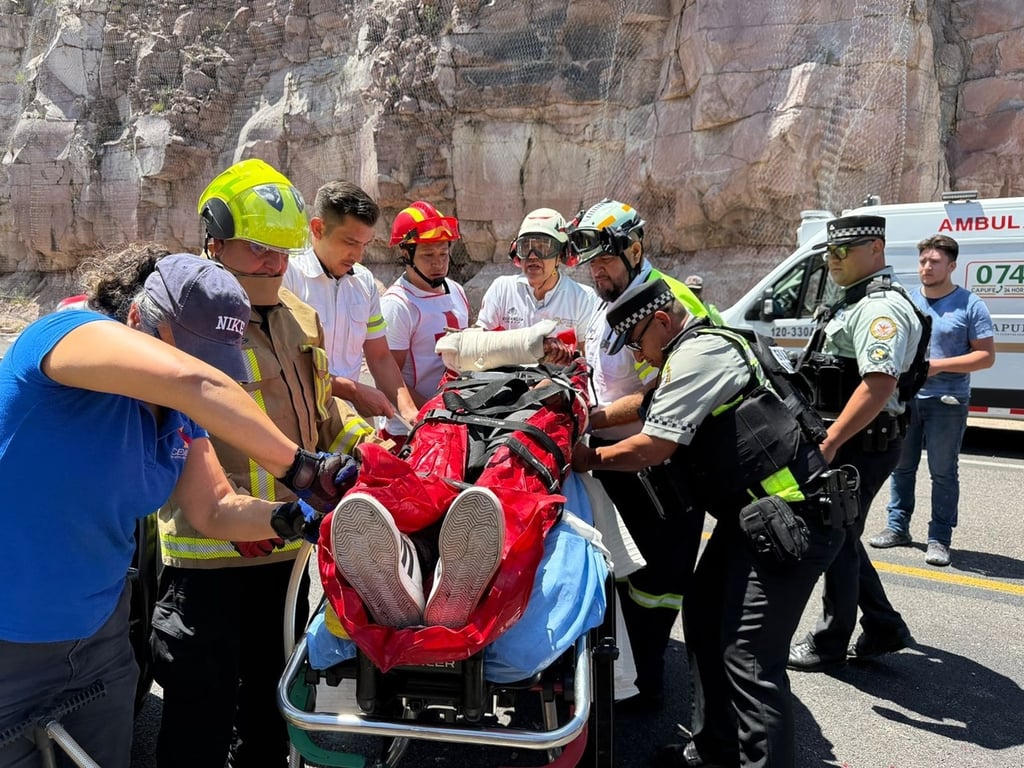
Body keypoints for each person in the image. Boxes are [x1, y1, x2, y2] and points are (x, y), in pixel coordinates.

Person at [0, 250, 351, 768]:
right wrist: (301, 469)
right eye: (191, 351)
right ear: (140, 315)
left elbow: (215, 508)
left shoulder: (179, 416)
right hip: (11, 648)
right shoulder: (65, 336)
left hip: (101, 643)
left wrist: (293, 517)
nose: (204, 368)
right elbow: (193, 382)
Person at [152, 160, 385, 768]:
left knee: (272, 694)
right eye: (258, 251)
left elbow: (324, 411)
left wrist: (367, 447)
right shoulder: (185, 323)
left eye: (282, 251)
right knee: (199, 705)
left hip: (286, 545)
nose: (274, 265)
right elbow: (174, 431)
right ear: (214, 239)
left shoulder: (298, 317)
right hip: (212, 548)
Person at [572, 278, 845, 768]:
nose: (637, 355)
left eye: (637, 342)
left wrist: (586, 458)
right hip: (755, 514)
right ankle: (715, 751)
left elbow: (653, 446)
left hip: (790, 515)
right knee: (703, 616)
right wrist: (587, 417)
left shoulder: (700, 355)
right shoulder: (692, 350)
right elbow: (648, 401)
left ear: (661, 321)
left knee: (751, 659)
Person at [321, 345, 592, 671]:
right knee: (507, 479)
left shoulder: (543, 370)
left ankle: (418, 559)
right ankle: (446, 573)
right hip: (476, 404)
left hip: (458, 406)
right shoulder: (489, 357)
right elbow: (455, 349)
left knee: (435, 478)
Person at [569, 198, 710, 713]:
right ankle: (624, 672)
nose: (597, 270)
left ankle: (643, 689)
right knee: (622, 575)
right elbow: (603, 374)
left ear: (634, 248)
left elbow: (660, 398)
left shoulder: (664, 302)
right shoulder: (608, 300)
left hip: (658, 467)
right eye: (591, 263)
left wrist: (590, 421)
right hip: (617, 463)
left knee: (655, 581)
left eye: (605, 260)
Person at [788, 214, 926, 673]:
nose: (833, 260)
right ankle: (884, 624)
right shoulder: (855, 300)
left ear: (876, 249)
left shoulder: (879, 308)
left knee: (836, 537)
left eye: (842, 252)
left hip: (860, 443)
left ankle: (831, 642)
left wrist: (829, 441)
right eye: (830, 252)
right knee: (841, 534)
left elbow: (879, 384)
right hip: (854, 440)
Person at [871, 234, 994, 567]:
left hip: (948, 401)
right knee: (901, 467)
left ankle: (939, 539)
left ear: (951, 266)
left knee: (942, 473)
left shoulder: (970, 304)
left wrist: (936, 367)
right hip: (907, 399)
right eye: (923, 260)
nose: (926, 267)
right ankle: (897, 528)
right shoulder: (908, 300)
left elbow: (985, 357)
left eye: (934, 261)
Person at [283, 180, 420, 426]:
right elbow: (288, 366)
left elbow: (379, 357)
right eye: (350, 242)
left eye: (364, 245)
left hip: (346, 424)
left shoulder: (364, 281)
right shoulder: (288, 276)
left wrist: (411, 414)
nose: (358, 256)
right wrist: (353, 392)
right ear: (317, 229)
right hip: (299, 422)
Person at [379, 201, 471, 444]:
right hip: (408, 432)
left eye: (443, 253)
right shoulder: (397, 305)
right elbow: (389, 378)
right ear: (406, 254)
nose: (438, 263)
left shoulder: (457, 291)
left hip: (454, 422)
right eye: (428, 255)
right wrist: (433, 414)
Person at [476, 207, 599, 350]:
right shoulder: (502, 289)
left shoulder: (583, 298)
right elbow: (479, 343)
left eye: (544, 248)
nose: (533, 256)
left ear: (559, 256)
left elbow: (588, 355)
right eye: (526, 247)